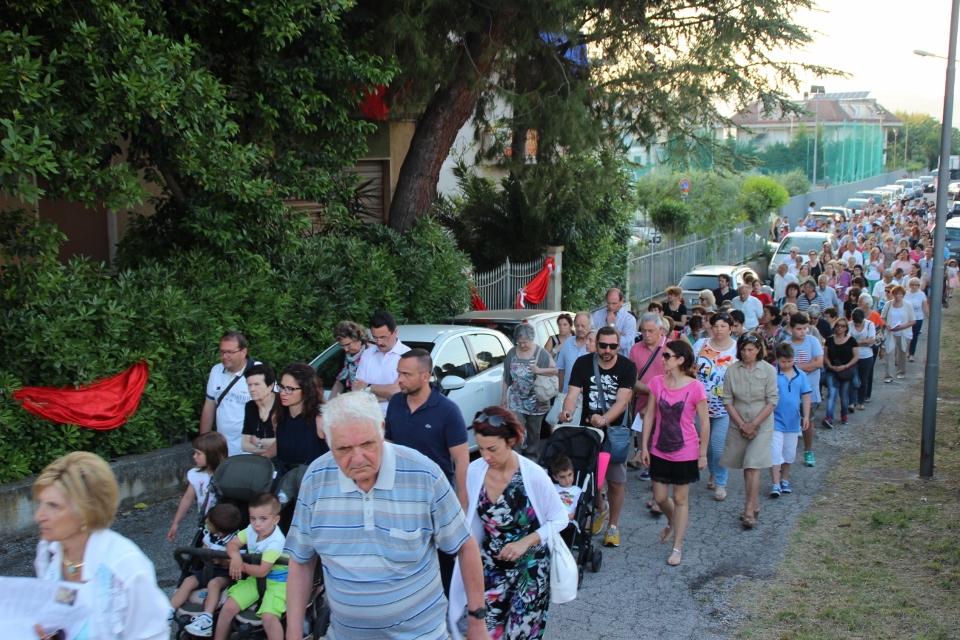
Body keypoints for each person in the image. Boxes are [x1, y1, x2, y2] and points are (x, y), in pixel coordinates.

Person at [283, 392, 490, 640]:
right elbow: (302, 560)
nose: (357, 459)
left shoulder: (423, 474)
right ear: (327, 440)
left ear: (382, 429)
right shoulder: (315, 480)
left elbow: (465, 546)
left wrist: (477, 620)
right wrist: (292, 633)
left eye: (367, 444)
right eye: (344, 448)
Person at [33, 452, 170, 639]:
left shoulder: (125, 567)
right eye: (41, 504)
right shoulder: (50, 554)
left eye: (53, 506)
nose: (39, 516)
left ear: (85, 511)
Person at [460, 407, 567, 639]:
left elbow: (560, 518)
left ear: (510, 442)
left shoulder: (533, 475)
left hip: (530, 571)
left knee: (520, 635)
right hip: (490, 569)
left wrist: (526, 542)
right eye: (481, 448)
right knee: (486, 633)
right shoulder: (475, 471)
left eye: (492, 449)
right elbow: (472, 521)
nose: (485, 456)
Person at [386, 348, 470, 594]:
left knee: (443, 561)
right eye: (399, 373)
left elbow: (461, 461)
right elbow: (388, 445)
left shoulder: (448, 411)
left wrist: (461, 506)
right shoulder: (395, 402)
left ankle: (448, 607)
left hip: (435, 500)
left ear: (425, 377)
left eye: (406, 374)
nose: (400, 379)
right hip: (398, 499)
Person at [560, 325, 638, 548]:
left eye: (612, 346)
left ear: (618, 346)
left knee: (615, 481)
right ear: (596, 344)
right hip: (588, 432)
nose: (607, 350)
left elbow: (622, 402)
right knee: (588, 479)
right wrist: (567, 411)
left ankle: (613, 525)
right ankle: (601, 508)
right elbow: (572, 395)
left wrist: (604, 419)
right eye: (603, 345)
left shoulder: (628, 367)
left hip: (615, 434)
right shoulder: (583, 363)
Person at [640, 340, 710, 566]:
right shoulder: (656, 382)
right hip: (659, 448)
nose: (663, 359)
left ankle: (677, 547)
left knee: (680, 499)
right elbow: (649, 415)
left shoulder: (695, 387)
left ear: (680, 360)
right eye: (663, 355)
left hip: (686, 450)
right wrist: (644, 446)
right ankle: (672, 521)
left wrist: (703, 453)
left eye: (667, 356)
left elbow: (704, 422)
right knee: (660, 497)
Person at [720, 334, 778, 529]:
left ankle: (748, 509)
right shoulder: (732, 370)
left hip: (762, 424)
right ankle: (754, 503)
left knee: (753, 463)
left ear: (758, 350)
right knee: (747, 464)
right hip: (739, 423)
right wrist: (742, 425)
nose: (746, 353)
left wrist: (753, 424)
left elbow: (772, 401)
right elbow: (727, 400)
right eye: (743, 349)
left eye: (751, 349)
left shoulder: (768, 370)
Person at [212, 493, 288, 640]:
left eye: (263, 519)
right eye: (253, 518)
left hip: (278, 582)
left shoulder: (276, 541)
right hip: (254, 578)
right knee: (227, 608)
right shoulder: (251, 530)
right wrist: (235, 557)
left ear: (276, 520)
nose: (257, 524)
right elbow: (232, 544)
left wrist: (239, 565)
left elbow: (262, 571)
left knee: (269, 617)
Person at [177, 503, 243, 636]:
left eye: (209, 523)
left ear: (220, 532)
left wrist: (223, 561)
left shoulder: (238, 540)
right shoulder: (210, 535)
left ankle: (207, 618)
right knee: (188, 580)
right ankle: (168, 611)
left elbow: (237, 565)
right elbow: (203, 546)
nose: (206, 521)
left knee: (214, 584)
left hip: (225, 574)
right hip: (208, 569)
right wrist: (204, 551)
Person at [692, 312, 738, 502]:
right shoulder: (701, 344)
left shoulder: (736, 348)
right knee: (706, 445)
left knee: (719, 446)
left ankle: (721, 483)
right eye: (716, 325)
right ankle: (713, 471)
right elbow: (690, 368)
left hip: (725, 406)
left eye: (723, 326)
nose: (719, 329)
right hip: (700, 404)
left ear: (731, 328)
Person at [502, 323, 558, 458]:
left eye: (525, 342)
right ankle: (516, 457)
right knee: (516, 429)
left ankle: (531, 456)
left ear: (531, 339)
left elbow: (554, 370)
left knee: (534, 432)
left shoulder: (541, 353)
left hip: (536, 401)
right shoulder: (512, 353)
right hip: (516, 399)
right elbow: (506, 377)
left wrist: (539, 370)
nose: (522, 345)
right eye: (519, 342)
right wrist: (503, 396)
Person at [200, 331, 258, 457]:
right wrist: (203, 445)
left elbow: (273, 410)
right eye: (222, 352)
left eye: (230, 352)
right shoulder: (216, 370)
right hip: (222, 450)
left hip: (250, 451)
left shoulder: (259, 372)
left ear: (243, 352)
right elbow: (209, 407)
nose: (225, 356)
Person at [264, 362, 328, 470]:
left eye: (289, 389)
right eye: (282, 387)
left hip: (312, 477)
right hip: (284, 477)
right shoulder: (277, 417)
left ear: (306, 390)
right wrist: (262, 458)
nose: (283, 393)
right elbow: (280, 444)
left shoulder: (321, 419)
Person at [167, 432, 228, 542]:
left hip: (225, 524)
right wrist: (175, 523)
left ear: (211, 454)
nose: (194, 456)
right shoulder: (196, 475)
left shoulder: (227, 475)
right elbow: (187, 498)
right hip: (206, 522)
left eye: (198, 453)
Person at [769, 343, 811, 498]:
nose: (786, 364)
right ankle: (775, 483)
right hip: (775, 420)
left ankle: (785, 479)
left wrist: (806, 416)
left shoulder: (801, 375)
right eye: (783, 361)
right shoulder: (773, 374)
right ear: (777, 360)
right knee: (775, 451)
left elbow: (805, 396)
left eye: (789, 361)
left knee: (789, 452)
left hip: (793, 421)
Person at [629, 313, 668, 477]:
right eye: (643, 331)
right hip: (642, 406)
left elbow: (676, 380)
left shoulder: (671, 348)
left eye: (651, 331)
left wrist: (653, 398)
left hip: (667, 406)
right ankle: (651, 472)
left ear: (661, 330)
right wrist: (652, 394)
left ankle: (660, 477)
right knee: (646, 442)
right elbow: (632, 380)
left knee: (664, 444)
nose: (646, 335)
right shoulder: (635, 349)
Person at [354, 310, 410, 415]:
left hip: (396, 419)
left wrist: (367, 386)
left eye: (383, 337)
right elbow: (357, 391)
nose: (379, 342)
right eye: (375, 338)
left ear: (395, 332)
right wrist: (388, 397)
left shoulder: (408, 356)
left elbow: (397, 391)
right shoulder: (367, 354)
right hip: (368, 419)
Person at [786, 313, 823, 467]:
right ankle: (787, 453)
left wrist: (795, 367)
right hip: (790, 390)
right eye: (799, 329)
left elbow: (818, 363)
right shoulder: (786, 344)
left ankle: (808, 450)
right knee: (789, 421)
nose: (803, 332)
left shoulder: (813, 341)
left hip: (810, 389)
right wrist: (808, 366)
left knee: (808, 420)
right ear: (791, 329)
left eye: (805, 328)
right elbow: (784, 367)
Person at [550, 311, 591, 427]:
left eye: (583, 326)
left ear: (590, 326)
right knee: (564, 428)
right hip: (567, 396)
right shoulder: (568, 343)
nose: (580, 329)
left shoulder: (593, 345)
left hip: (586, 399)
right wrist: (561, 392)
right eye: (577, 326)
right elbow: (561, 369)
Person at [823, 317, 859, 428]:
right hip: (832, 370)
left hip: (845, 371)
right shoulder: (829, 340)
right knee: (831, 395)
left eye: (842, 326)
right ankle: (829, 417)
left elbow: (856, 357)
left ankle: (844, 414)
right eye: (838, 325)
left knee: (843, 395)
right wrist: (830, 366)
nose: (840, 328)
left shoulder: (851, 341)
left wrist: (845, 366)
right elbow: (825, 356)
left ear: (846, 328)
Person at [241, 364, 277, 456]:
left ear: (271, 386)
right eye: (249, 385)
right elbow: (245, 445)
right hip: (260, 460)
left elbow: (287, 442)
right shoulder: (250, 406)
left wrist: (259, 442)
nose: (252, 389)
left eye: (257, 384)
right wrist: (269, 450)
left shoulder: (283, 404)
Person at [328, 320, 368, 400]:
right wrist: (330, 404)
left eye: (348, 345)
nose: (346, 349)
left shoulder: (370, 354)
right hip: (347, 400)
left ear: (358, 338)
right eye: (342, 346)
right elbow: (340, 382)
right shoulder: (344, 355)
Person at [591, 288, 637, 354]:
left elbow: (623, 344)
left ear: (622, 301)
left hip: (621, 358)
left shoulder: (629, 319)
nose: (611, 306)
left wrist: (612, 325)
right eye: (608, 303)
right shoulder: (597, 315)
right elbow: (592, 339)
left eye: (614, 303)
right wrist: (618, 335)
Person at [849, 308, 877, 411]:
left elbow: (872, 341)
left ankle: (861, 401)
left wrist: (855, 342)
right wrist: (864, 341)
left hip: (866, 356)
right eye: (855, 323)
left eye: (859, 323)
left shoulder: (870, 325)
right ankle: (852, 402)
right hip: (853, 356)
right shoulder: (849, 325)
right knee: (853, 379)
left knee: (864, 378)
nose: (856, 325)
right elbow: (847, 341)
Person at [903, 277, 930, 361]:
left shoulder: (921, 294)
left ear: (918, 286)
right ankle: (904, 351)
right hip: (906, 317)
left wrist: (928, 316)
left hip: (917, 317)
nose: (914, 286)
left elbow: (925, 306)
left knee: (914, 335)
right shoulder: (906, 293)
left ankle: (912, 353)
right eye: (912, 285)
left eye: (916, 285)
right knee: (905, 335)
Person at [550, 455, 583, 521]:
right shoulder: (551, 487)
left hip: (565, 520)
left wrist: (557, 516)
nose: (567, 480)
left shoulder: (577, 491)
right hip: (549, 518)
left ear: (573, 472)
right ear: (555, 477)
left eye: (569, 475)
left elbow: (574, 515)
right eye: (562, 477)